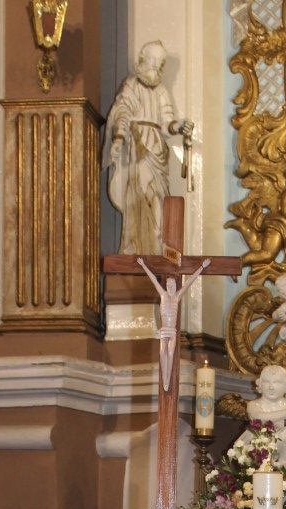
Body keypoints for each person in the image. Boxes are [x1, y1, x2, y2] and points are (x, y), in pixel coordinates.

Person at [104, 40, 194, 255]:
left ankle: (155, 248)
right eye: (152, 59)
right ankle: (135, 248)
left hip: (157, 149)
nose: (155, 65)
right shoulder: (131, 85)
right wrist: (119, 138)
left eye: (159, 62)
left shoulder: (161, 90)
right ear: (142, 60)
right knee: (141, 196)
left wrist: (179, 126)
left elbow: (166, 124)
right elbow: (123, 112)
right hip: (139, 147)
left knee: (160, 200)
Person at [137, 258, 211, 390]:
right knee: (162, 352)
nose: (171, 288)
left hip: (172, 331)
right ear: (166, 286)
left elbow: (189, 282)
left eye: (173, 286)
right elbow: (153, 280)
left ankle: (167, 380)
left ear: (176, 286)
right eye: (169, 286)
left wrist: (202, 267)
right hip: (164, 329)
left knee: (170, 353)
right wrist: (143, 265)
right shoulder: (163, 295)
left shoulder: (177, 297)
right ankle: (165, 380)